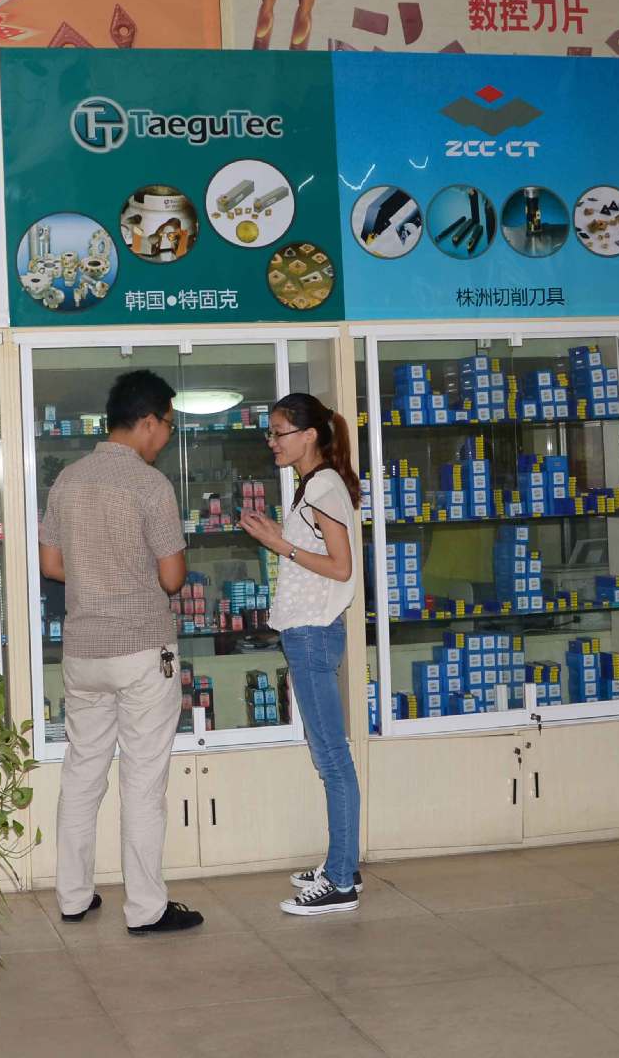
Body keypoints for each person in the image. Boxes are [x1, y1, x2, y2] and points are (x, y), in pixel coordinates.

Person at [38, 369, 203, 936]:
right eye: (168, 425)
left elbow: (51, 565)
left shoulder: (67, 480)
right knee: (143, 780)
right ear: (148, 421)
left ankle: (73, 897)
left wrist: (97, 579)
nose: (167, 436)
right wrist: (131, 578)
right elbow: (173, 577)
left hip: (83, 652)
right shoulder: (150, 485)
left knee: (82, 772)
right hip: (140, 649)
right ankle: (147, 908)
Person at [240, 392, 363, 916]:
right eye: (270, 433)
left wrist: (281, 545)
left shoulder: (322, 487)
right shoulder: (313, 485)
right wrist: (280, 537)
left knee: (332, 758)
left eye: (279, 432)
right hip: (308, 631)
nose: (272, 441)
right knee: (327, 754)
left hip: (313, 633)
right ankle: (341, 862)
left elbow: (341, 566)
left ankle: (341, 882)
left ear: (309, 435)